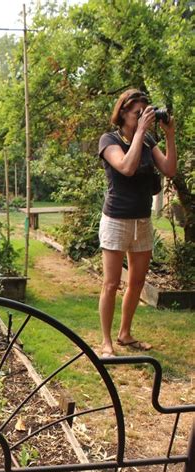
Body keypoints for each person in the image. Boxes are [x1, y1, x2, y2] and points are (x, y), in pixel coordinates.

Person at [98, 89, 176, 357]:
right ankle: (106, 341)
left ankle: (125, 334)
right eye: (137, 113)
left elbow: (169, 170)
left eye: (146, 112)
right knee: (111, 283)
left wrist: (169, 135)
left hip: (142, 220)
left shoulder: (148, 140)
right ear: (122, 113)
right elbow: (127, 167)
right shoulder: (109, 140)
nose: (143, 117)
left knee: (138, 281)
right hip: (116, 220)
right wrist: (141, 132)